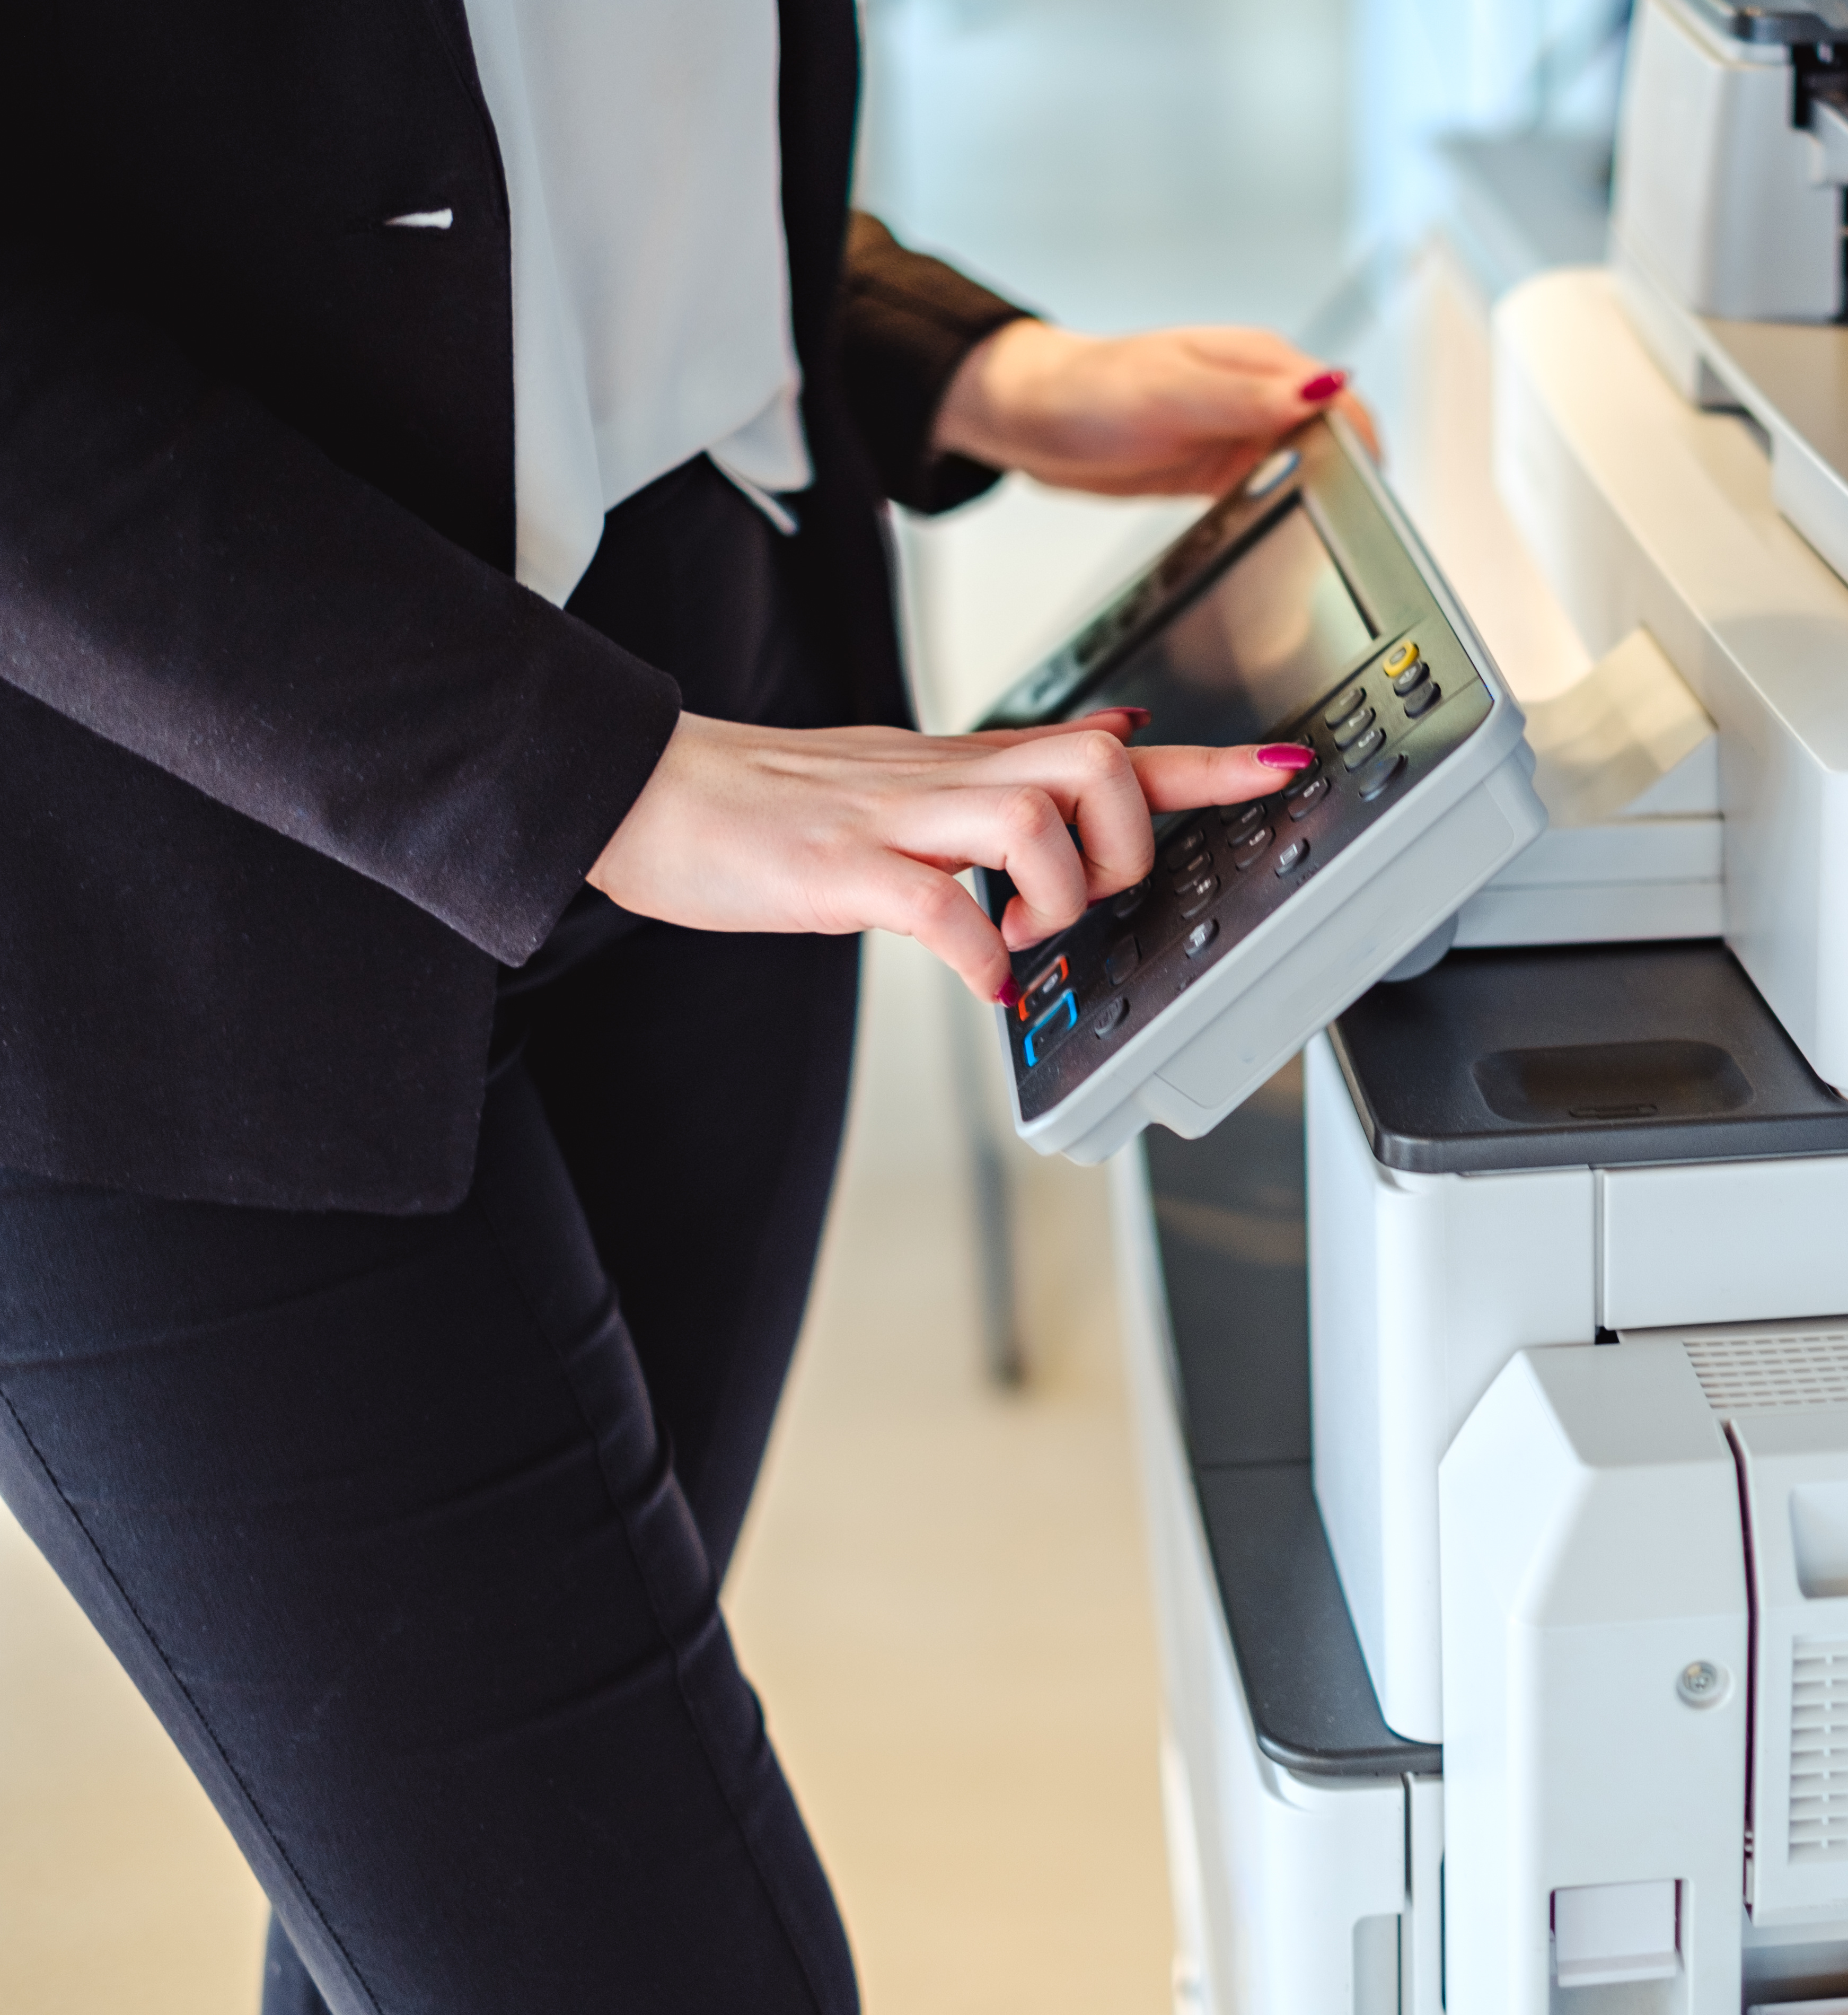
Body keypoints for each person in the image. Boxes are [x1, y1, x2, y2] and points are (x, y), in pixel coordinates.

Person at [0, 5, 1369, 2010]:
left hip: (723, 727)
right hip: (163, 920)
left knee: (455, 1912)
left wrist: (941, 349)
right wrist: (584, 776)